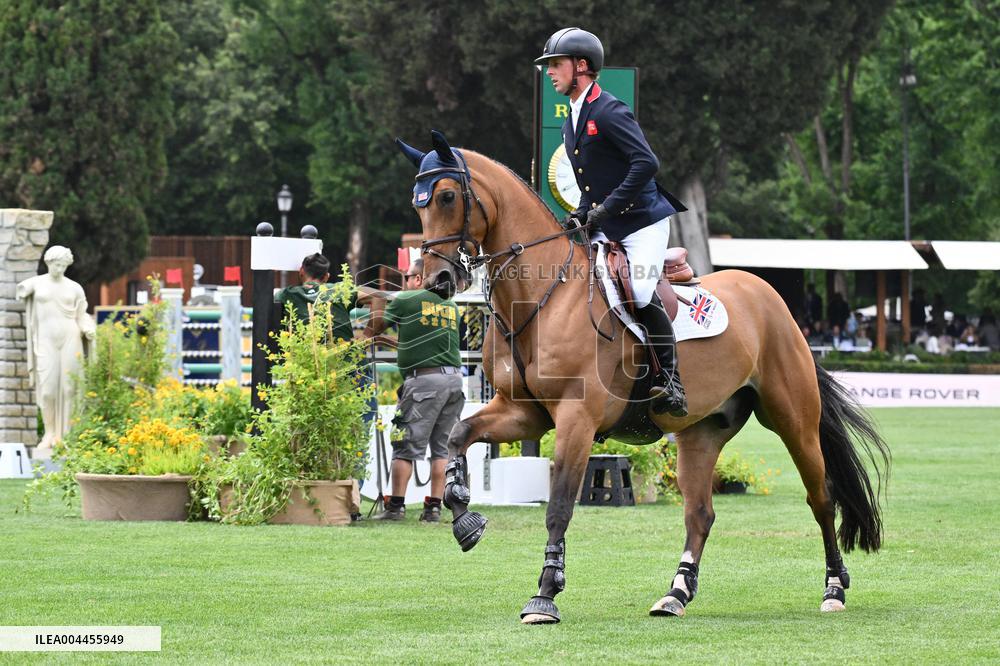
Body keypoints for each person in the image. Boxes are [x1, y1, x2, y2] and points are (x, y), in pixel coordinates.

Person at [536, 27, 688, 417]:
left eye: (556, 65)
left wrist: (606, 209)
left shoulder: (609, 110)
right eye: (549, 66)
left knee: (637, 290)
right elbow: (593, 181)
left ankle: (672, 381)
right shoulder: (572, 122)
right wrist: (581, 213)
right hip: (608, 220)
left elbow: (646, 164)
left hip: (642, 221)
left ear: (581, 66)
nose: (550, 73)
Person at [361, 259, 465, 522]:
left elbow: (375, 327)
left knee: (404, 445)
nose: (405, 282)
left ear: (419, 279)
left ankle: (395, 507)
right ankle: (433, 509)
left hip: (423, 384)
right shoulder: (451, 307)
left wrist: (375, 302)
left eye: (408, 277)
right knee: (442, 449)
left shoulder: (408, 300)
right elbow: (422, 341)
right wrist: (390, 341)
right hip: (453, 381)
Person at [16, 246, 97, 455]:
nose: (59, 269)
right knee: (49, 389)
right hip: (45, 341)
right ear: (48, 262)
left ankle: (66, 435)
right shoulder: (38, 282)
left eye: (63, 265)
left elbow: (82, 314)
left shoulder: (74, 288)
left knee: (70, 388)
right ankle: (49, 433)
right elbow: (21, 289)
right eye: (55, 264)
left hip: (70, 338)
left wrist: (87, 327)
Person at [276, 253, 356, 342]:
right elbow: (374, 295)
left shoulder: (287, 293)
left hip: (304, 354)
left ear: (301, 271)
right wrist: (367, 334)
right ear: (326, 276)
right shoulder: (339, 289)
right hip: (342, 352)